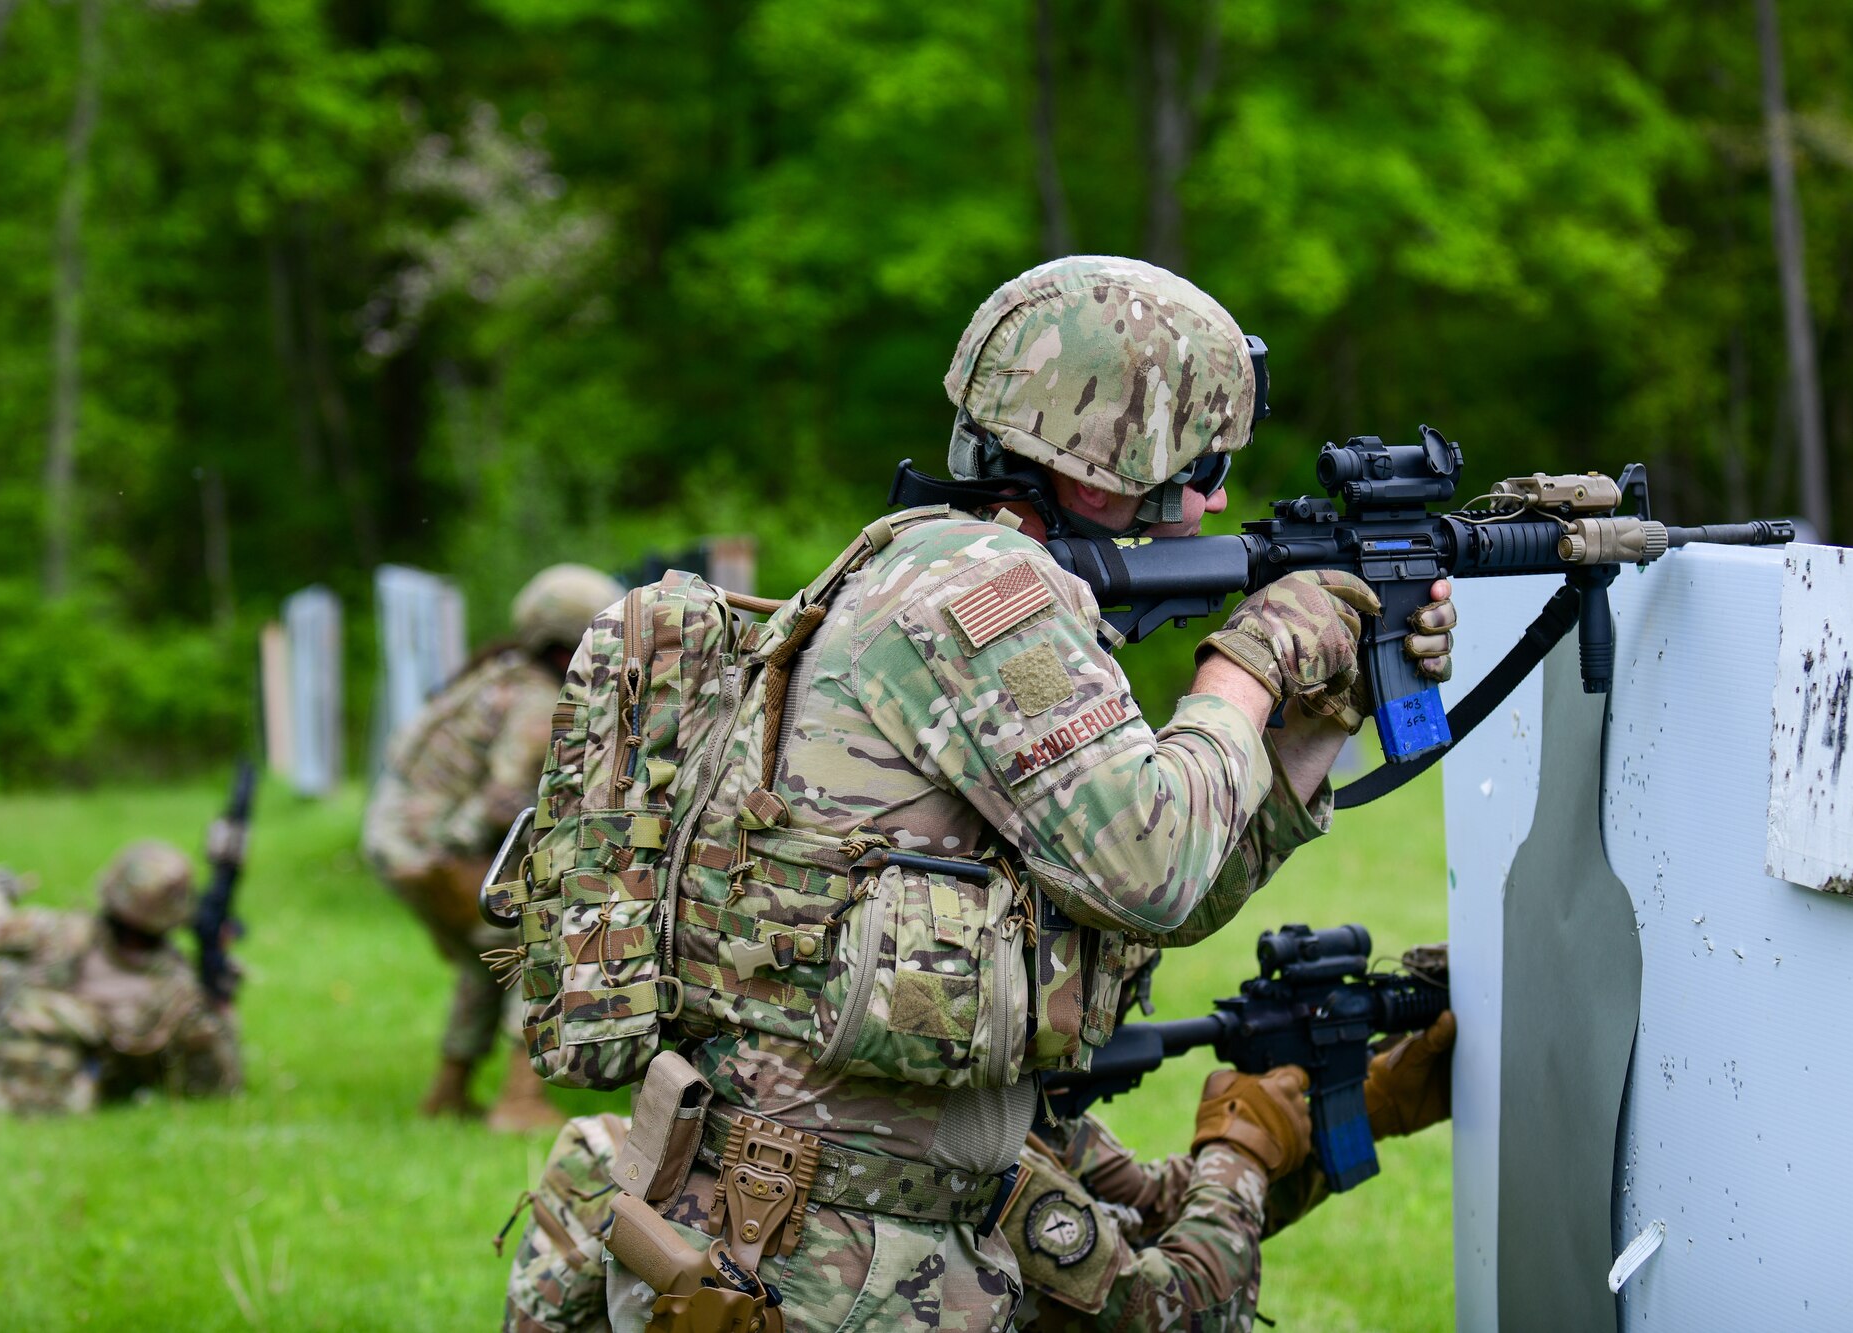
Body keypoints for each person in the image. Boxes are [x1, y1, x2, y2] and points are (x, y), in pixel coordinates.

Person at [594, 255, 1455, 1331]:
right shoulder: (986, 595)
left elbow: (1164, 897)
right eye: (1201, 461)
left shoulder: (936, 571)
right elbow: (1150, 863)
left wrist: (1318, 713)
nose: (1215, 496)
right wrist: (1250, 663)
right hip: (828, 1256)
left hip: (844, 1231)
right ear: (1108, 458)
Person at [499, 1007, 1456, 1332]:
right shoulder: (962, 1165)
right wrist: (1242, 1146)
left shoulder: (630, 1149)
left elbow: (1155, 1213)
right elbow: (1181, 1304)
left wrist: (1364, 1106)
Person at [363, 562, 624, 1131]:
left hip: (400, 844)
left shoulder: (499, 675)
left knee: (491, 952)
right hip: (430, 851)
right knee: (549, 932)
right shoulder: (536, 701)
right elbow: (503, 799)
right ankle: (519, 1099)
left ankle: (447, 1092)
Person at [0, 840, 241, 1114]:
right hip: (116, 1082)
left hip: (43, 1071)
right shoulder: (181, 986)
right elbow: (219, 1084)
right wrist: (221, 1004)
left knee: (10, 969)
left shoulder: (60, 933)